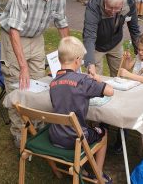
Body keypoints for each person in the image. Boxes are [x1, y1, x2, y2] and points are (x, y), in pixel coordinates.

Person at [0, 0, 71, 146]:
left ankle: (38, 126)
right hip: (14, 36)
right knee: (18, 85)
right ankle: (18, 131)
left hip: (37, 38)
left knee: (40, 83)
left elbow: (62, 24)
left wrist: (71, 56)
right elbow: (14, 29)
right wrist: (22, 66)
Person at [49, 36, 114, 183]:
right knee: (103, 133)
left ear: (59, 59)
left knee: (83, 124)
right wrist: (96, 78)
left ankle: (82, 169)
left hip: (55, 136)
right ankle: (99, 173)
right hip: (75, 139)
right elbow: (110, 91)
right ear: (78, 60)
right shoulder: (83, 81)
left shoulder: (53, 83)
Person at [83, 0, 140, 78]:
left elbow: (134, 28)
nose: (113, 12)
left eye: (117, 8)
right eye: (109, 7)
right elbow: (89, 36)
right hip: (96, 46)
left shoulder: (129, 1)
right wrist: (89, 62)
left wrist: (139, 52)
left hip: (116, 43)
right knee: (94, 79)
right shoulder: (93, 5)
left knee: (120, 77)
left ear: (123, 2)